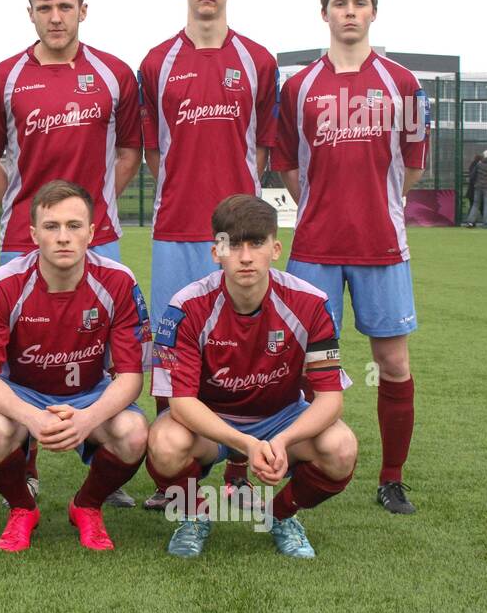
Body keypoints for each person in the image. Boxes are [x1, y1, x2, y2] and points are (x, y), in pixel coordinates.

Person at [0, 0, 143, 508]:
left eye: (65, 7)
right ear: (30, 13)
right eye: (44, 8)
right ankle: (22, 464)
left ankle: (102, 458)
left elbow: (128, 154)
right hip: (23, 238)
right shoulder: (4, 77)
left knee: (102, 353)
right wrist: (21, 207)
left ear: (83, 11)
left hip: (99, 236)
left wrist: (90, 212)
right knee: (17, 357)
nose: (55, 17)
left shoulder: (116, 73)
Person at [273, 0, 429, 515]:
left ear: (373, 13)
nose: (350, 11)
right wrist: (322, 202)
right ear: (324, 13)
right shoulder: (297, 87)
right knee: (303, 363)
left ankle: (391, 477)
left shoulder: (402, 83)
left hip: (381, 244)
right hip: (314, 245)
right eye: (340, 3)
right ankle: (298, 460)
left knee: (392, 360)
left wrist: (372, 204)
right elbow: (288, 166)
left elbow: (411, 166)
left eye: (360, 3)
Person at [136, 0, 280, 508]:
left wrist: (239, 218)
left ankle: (243, 471)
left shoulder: (258, 61)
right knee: (171, 350)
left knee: (242, 349)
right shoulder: (156, 62)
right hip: (176, 225)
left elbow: (262, 151)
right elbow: (152, 154)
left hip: (239, 231)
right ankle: (175, 482)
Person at [147, 194, 357, 558]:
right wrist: (246, 444)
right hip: (211, 423)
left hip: (282, 420)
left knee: (341, 448)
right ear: (216, 252)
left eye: (256, 243)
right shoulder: (186, 306)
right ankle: (196, 516)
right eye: (233, 245)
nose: (245, 257)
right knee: (164, 444)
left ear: (275, 248)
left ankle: (280, 516)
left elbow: (330, 399)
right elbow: (180, 402)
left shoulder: (310, 302)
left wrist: (282, 440)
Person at [0, 181, 150, 552]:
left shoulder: (118, 281)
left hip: (89, 393)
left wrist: (87, 419)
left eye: (74, 226)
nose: (63, 237)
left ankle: (87, 506)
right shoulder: (4, 284)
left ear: (91, 232)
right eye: (51, 227)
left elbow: (131, 376)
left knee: (133, 433)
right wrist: (32, 418)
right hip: (22, 393)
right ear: (34, 234)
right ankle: (22, 508)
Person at [464, 149, 487, 228]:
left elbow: (472, 175)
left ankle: (470, 222)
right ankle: (486, 223)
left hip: (478, 187)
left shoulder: (479, 165)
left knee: (475, 205)